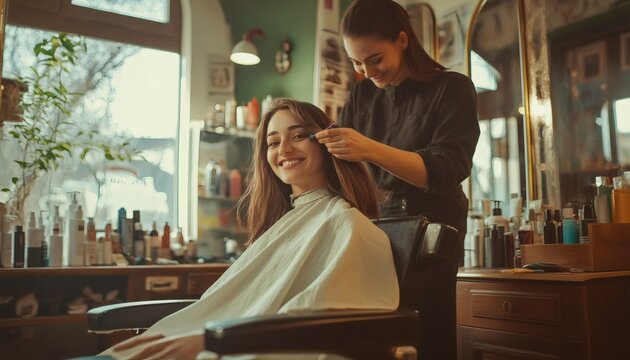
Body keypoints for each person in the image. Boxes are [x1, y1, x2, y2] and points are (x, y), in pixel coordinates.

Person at [99, 98, 399, 360]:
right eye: (272, 142)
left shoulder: (345, 222)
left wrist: (213, 342)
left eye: (298, 136)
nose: (284, 149)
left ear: (326, 142)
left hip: (230, 345)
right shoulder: (288, 221)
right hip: (200, 338)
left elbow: (323, 318)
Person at [311, 1, 480, 359]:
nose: (367, 71)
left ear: (402, 40)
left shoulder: (452, 88)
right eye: (356, 62)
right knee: (375, 335)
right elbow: (345, 170)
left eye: (375, 58)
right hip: (373, 226)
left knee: (426, 333)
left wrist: (369, 148)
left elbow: (446, 169)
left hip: (433, 229)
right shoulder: (362, 94)